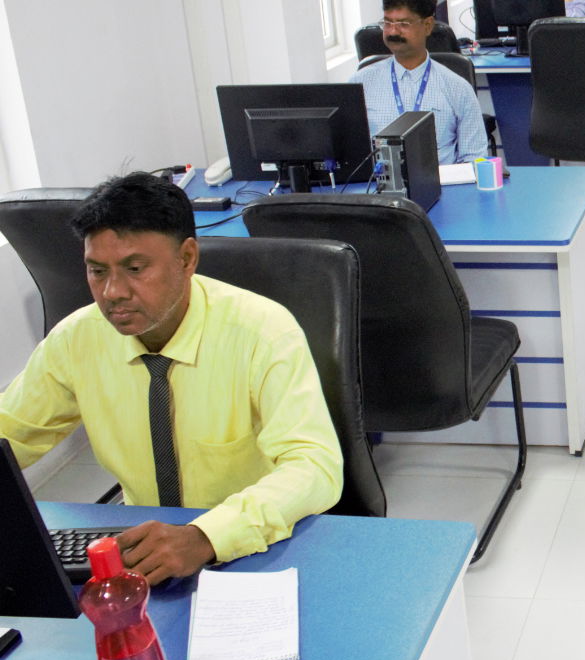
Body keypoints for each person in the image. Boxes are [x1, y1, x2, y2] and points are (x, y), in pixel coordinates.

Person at [0, 173, 344, 584]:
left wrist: (206, 535)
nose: (113, 292)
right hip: (142, 551)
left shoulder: (264, 333)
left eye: (135, 268)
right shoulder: (77, 339)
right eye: (97, 271)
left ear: (187, 259)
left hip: (253, 546)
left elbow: (314, 467)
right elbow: (12, 431)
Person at [350, 0, 490, 164]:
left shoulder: (457, 87)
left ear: (427, 25)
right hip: (379, 188)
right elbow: (350, 158)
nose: (393, 31)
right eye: (388, 22)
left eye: (403, 23)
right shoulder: (361, 84)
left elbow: (474, 158)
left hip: (443, 187)